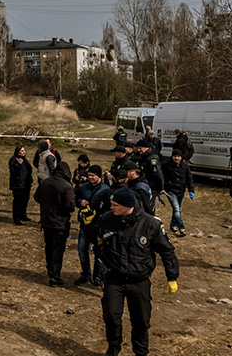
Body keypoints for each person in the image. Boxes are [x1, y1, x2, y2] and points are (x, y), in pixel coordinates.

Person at [96, 188, 179, 356]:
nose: (111, 207)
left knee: (141, 320)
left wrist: (172, 277)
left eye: (115, 205)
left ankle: (140, 352)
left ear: (128, 206)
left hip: (139, 280)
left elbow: (167, 251)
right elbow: (99, 242)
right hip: (114, 278)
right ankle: (113, 348)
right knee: (111, 316)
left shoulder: (151, 224)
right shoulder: (107, 219)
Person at [33, 161, 76, 286]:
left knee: (49, 247)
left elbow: (36, 197)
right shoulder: (67, 186)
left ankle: (50, 271)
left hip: (46, 221)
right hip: (60, 223)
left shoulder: (45, 182)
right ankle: (55, 275)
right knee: (58, 250)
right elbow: (70, 206)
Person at [75, 165, 109, 286]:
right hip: (85, 224)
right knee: (82, 249)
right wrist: (80, 202)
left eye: (92, 175)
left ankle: (98, 276)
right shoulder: (83, 187)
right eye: (89, 175)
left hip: (98, 226)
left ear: (98, 176)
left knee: (99, 252)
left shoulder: (106, 190)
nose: (90, 177)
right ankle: (86, 274)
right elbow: (76, 198)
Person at [161, 150, 194, 236]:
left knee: (178, 210)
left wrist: (191, 191)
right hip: (171, 191)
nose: (177, 158)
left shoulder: (185, 166)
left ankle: (173, 225)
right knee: (176, 209)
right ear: (172, 157)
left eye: (178, 156)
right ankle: (181, 227)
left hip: (181, 191)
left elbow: (189, 179)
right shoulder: (166, 166)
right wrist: (161, 188)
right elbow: (161, 177)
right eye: (175, 156)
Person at [8, 145, 33, 225]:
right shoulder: (13, 160)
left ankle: (23, 215)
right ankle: (16, 218)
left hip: (26, 184)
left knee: (25, 200)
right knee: (18, 201)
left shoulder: (25, 160)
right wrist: (18, 165)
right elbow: (13, 171)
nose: (23, 152)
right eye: (22, 151)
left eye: (24, 151)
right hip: (18, 185)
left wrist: (30, 180)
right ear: (17, 152)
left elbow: (29, 171)